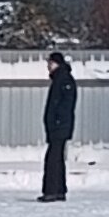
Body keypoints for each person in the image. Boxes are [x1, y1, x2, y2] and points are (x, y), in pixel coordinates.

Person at [41, 49, 77, 201]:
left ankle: (52, 191)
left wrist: (57, 121)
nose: (48, 66)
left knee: (53, 159)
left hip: (59, 127)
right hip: (58, 127)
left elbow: (65, 104)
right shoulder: (60, 79)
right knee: (57, 159)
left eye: (50, 63)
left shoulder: (63, 80)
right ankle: (59, 190)